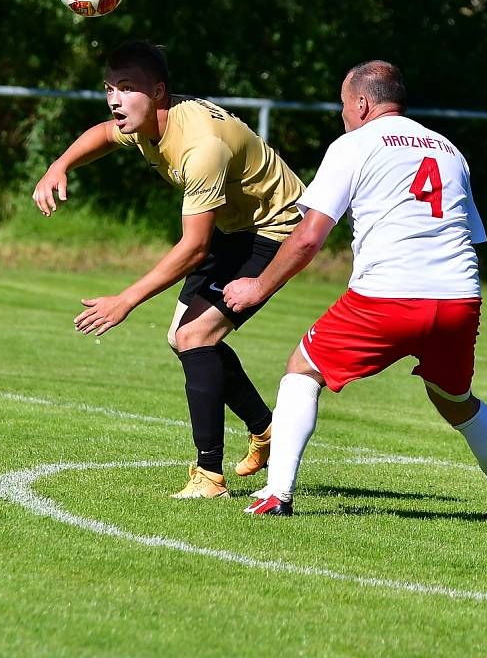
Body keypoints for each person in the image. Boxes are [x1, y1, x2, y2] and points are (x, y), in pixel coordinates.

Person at [223, 60, 487, 525]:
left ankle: (277, 493)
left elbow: (310, 236)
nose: (342, 115)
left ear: (361, 103)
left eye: (342, 105)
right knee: (455, 400)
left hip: (388, 297)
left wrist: (259, 285)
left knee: (302, 370)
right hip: (459, 297)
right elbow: (470, 235)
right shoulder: (449, 149)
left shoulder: (354, 144)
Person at [32, 40, 305, 498]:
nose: (115, 100)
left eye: (126, 88)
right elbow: (102, 132)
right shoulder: (143, 121)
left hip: (277, 228)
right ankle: (266, 430)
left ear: (158, 92)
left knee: (194, 337)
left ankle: (209, 475)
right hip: (236, 225)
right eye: (109, 88)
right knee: (182, 336)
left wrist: (126, 300)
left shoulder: (200, 147)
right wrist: (58, 166)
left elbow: (194, 248)